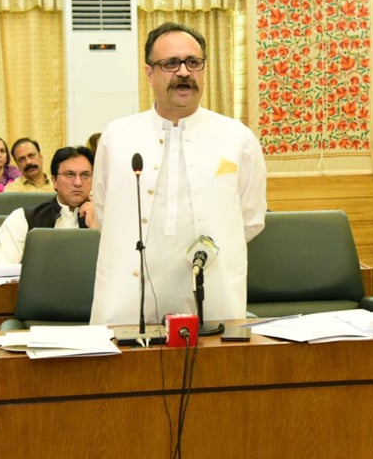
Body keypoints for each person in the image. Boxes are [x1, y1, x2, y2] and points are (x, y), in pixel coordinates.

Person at [89, 22, 267, 326]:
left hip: (213, 294)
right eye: (170, 63)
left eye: (193, 63)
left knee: (214, 372)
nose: (183, 72)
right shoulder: (117, 136)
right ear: (149, 73)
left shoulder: (237, 138)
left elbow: (249, 219)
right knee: (127, 372)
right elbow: (104, 213)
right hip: (127, 297)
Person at [0, 146, 96, 265]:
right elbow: (3, 273)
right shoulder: (22, 219)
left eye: (85, 175)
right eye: (69, 174)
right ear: (54, 181)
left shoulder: (106, 220)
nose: (78, 183)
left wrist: (97, 229)